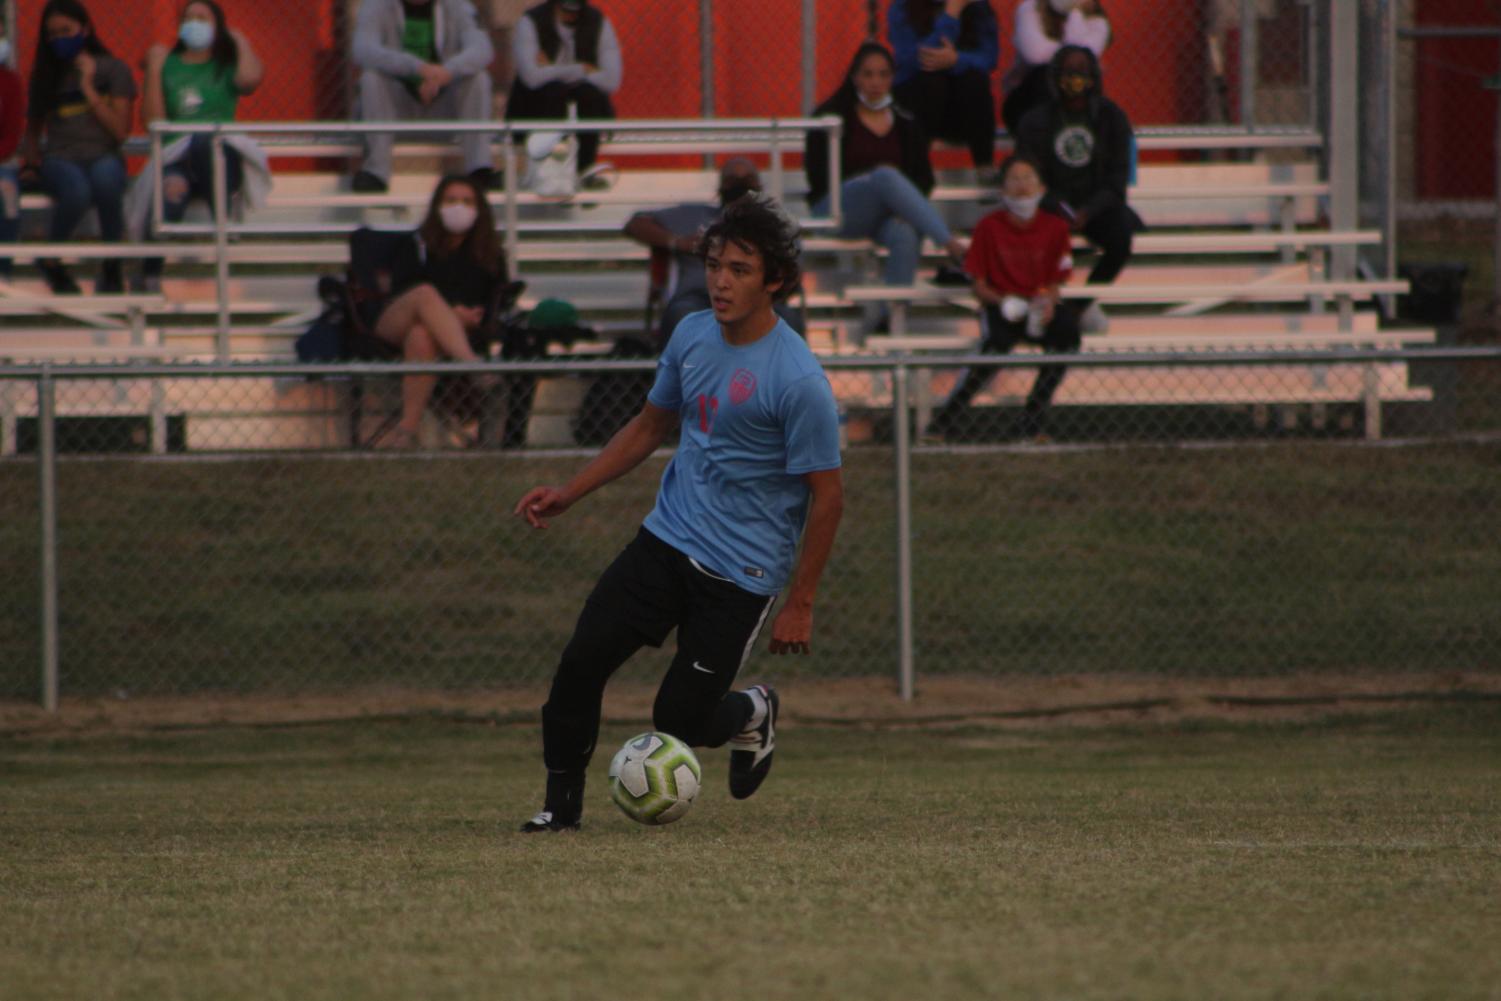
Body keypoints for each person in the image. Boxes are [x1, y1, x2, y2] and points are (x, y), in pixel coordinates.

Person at [512, 194, 843, 833]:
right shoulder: (691, 333)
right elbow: (649, 426)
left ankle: (752, 710)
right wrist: (570, 491)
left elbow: (828, 496)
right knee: (580, 665)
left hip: (741, 575)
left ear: (774, 280)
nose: (720, 280)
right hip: (666, 540)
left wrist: (801, 601)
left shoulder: (798, 379)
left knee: (680, 721)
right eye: (715, 264)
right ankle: (561, 808)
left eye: (740, 269)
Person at [804, 43, 968, 338]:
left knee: (905, 232)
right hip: (836, 210)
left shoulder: (905, 122)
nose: (876, 82)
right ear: (854, 77)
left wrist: (897, 205)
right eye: (868, 75)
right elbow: (818, 178)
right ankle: (953, 247)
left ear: (892, 77)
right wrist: (876, 190)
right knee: (885, 176)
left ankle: (888, 321)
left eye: (883, 74)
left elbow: (924, 179)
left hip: (884, 217)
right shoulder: (831, 118)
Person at [926, 154, 1078, 442]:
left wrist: (1047, 303)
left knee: (1067, 337)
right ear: (1002, 190)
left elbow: (1058, 278)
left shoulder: (1055, 227)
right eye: (1014, 179)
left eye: (1028, 178)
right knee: (993, 349)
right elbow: (977, 283)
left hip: (1037, 304)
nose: (1022, 186)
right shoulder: (989, 227)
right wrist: (1003, 301)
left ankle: (1031, 423)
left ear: (1042, 187)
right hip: (1001, 304)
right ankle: (944, 423)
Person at [136, 0, 266, 290]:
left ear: (217, 26)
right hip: (178, 158)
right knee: (169, 194)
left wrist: (240, 40)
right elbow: (153, 122)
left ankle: (223, 216)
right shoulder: (167, 63)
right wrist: (154, 70)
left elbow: (250, 80)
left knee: (206, 141)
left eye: (203, 18)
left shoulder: (226, 63)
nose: (194, 23)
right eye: (189, 18)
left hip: (220, 158)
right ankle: (149, 274)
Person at [370, 173, 507, 447]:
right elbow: (401, 290)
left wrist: (453, 316)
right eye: (451, 200)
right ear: (437, 205)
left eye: (467, 201)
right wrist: (450, 313)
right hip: (395, 320)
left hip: (450, 333)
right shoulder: (415, 244)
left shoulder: (489, 254)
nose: (459, 207)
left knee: (422, 336)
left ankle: (405, 433)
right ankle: (472, 366)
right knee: (424, 295)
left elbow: (484, 304)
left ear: (479, 209)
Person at [1014, 44, 1137, 333]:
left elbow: (1117, 182)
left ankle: (1079, 305)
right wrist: (1060, 207)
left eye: (1082, 72)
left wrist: (1088, 210)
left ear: (1094, 76)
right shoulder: (1035, 121)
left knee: (1121, 237)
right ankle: (1043, 308)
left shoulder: (1112, 117)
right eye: (1069, 72)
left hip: (1097, 205)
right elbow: (1030, 176)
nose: (1075, 79)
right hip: (1052, 205)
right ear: (1056, 77)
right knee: (1036, 233)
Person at [19, 0, 136, 294]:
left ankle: (112, 264)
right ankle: (51, 259)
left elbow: (120, 132)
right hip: (61, 159)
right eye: (53, 34)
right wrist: (31, 165)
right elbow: (32, 131)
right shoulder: (45, 75)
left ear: (84, 29)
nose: (60, 39)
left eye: (66, 31)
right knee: (77, 191)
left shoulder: (113, 70)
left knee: (106, 180)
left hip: (103, 154)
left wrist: (88, 88)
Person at [622, 157, 801, 347]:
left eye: (747, 179)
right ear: (720, 186)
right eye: (732, 179)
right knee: (682, 317)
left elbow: (792, 272)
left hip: (759, 300)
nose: (740, 185)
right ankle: (686, 376)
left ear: (759, 184)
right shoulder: (694, 216)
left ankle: (782, 376)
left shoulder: (776, 224)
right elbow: (635, 224)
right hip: (699, 299)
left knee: (788, 320)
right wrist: (678, 242)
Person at [350, 0, 496, 194]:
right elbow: (362, 49)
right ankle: (376, 172)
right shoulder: (375, 5)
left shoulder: (459, 6)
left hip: (445, 110)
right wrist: (416, 67)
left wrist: (447, 72)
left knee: (478, 78)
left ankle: (479, 168)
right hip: (395, 113)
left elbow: (483, 49)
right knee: (371, 77)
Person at [506, 0, 621, 187]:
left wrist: (551, 69)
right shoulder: (531, 22)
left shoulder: (597, 22)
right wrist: (582, 70)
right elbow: (531, 78)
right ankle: (546, 169)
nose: (571, 16)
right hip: (537, 104)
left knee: (589, 94)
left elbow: (611, 80)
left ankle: (585, 170)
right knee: (553, 90)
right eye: (565, 10)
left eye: (575, 12)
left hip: (580, 103)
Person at [888, 0, 1000, 177]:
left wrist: (957, 60)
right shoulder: (902, 8)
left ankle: (984, 164)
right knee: (931, 80)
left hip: (962, 109)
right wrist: (951, 13)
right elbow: (916, 58)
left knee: (974, 78)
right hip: (918, 105)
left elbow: (989, 58)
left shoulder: (978, 8)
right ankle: (917, 167)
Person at [1000, 0, 1109, 137]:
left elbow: (1078, 57)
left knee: (1078, 76)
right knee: (1045, 73)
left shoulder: (1097, 21)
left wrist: (1074, 13)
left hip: (1076, 102)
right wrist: (1068, 54)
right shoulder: (1029, 8)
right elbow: (1035, 54)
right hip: (1027, 104)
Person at [0, 17, 23, 283]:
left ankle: (3, 273)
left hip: (2, 161)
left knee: (7, 191)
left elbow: (12, 135)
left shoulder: (10, 82)